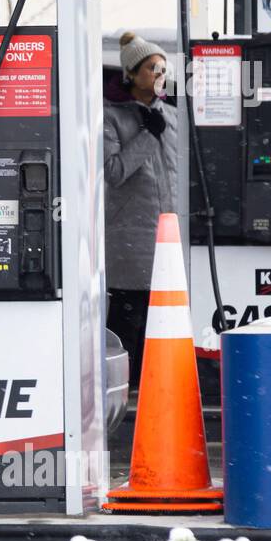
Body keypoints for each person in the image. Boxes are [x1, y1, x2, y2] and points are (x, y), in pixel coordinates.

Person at [104, 31, 179, 384]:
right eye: (152, 67)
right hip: (130, 239)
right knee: (129, 319)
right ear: (132, 74)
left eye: (163, 67)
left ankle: (156, 385)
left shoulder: (172, 116)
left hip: (169, 234)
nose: (159, 74)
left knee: (162, 318)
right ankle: (127, 388)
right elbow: (113, 172)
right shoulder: (112, 117)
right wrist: (147, 136)